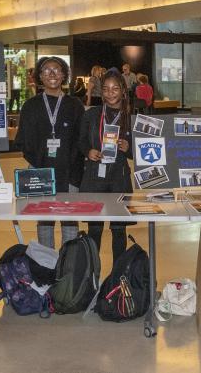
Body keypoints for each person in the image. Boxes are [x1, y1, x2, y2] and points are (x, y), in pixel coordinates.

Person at [15, 56, 85, 248]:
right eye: (46, 70)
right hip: (40, 171)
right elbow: (24, 142)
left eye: (57, 70)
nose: (52, 74)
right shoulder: (31, 106)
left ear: (64, 75)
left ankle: (68, 268)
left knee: (70, 222)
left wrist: (72, 168)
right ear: (39, 76)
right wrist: (40, 165)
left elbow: (82, 140)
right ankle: (47, 267)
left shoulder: (75, 105)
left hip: (70, 172)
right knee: (44, 222)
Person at [78, 70, 133, 263]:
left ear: (123, 92)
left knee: (119, 229)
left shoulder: (130, 118)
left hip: (119, 177)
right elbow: (81, 141)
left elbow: (140, 152)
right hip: (95, 176)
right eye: (106, 89)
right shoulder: (92, 114)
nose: (110, 93)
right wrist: (88, 151)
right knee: (95, 228)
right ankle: (92, 276)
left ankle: (118, 278)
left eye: (115, 89)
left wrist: (129, 148)